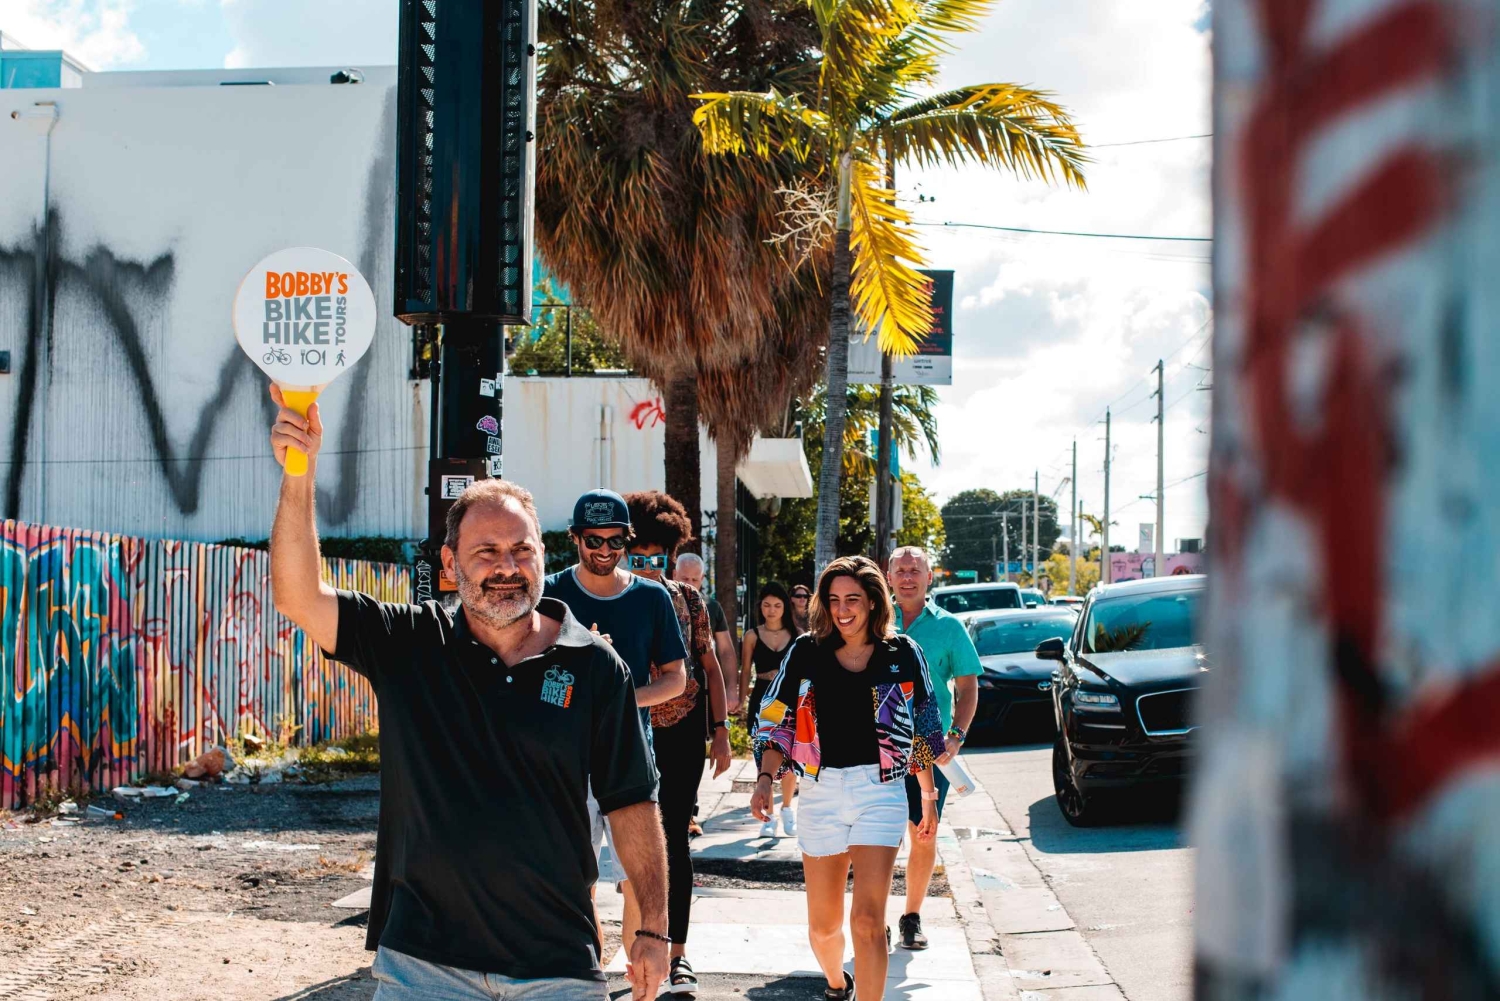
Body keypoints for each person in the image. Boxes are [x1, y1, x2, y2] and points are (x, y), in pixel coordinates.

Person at [264, 385, 668, 1001]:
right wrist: (300, 473)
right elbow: (299, 596)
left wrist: (654, 930)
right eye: (487, 552)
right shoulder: (408, 644)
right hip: (424, 966)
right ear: (451, 565)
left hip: (558, 965)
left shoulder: (594, 666)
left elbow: (632, 803)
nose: (507, 566)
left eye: (522, 550)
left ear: (542, 556)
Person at [752, 556, 945, 1001]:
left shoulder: (902, 653)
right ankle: (838, 985)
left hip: (881, 792)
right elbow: (776, 718)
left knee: (868, 921)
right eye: (834, 599)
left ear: (873, 601)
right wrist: (764, 778)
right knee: (823, 929)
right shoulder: (807, 651)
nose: (842, 609)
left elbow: (921, 728)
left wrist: (928, 797)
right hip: (820, 791)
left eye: (853, 599)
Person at [543, 489, 688, 980]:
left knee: (638, 888)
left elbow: (676, 678)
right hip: (566, 764)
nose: (604, 551)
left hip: (631, 763)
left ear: (628, 539)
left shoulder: (651, 597)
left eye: (615, 541)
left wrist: (618, 695)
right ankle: (589, 981)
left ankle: (640, 983)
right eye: (593, 540)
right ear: (575, 538)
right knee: (574, 884)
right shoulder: (549, 595)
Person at [622, 490, 733, 997]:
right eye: (637, 555)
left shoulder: (688, 600)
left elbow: (708, 666)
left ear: (669, 555)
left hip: (682, 730)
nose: (647, 565)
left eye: (656, 557)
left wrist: (721, 731)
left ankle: (678, 954)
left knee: (672, 840)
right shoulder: (611, 597)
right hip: (623, 731)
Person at [886, 545, 984, 951]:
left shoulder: (949, 627)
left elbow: (968, 687)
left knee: (923, 834)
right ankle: (874, 916)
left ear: (929, 577)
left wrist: (956, 735)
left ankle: (911, 916)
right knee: (878, 836)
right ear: (888, 577)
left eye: (916, 570)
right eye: (901, 570)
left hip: (929, 751)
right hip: (877, 749)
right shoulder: (873, 620)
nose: (908, 577)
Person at [741, 582, 799, 837]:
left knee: (791, 757)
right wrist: (740, 699)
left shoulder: (797, 635)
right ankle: (769, 816)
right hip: (763, 698)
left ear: (785, 607)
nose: (771, 610)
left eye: (777, 605)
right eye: (766, 605)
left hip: (788, 701)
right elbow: (745, 670)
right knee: (762, 757)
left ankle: (787, 809)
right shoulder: (752, 635)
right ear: (760, 607)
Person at [671, 552, 739, 714]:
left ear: (702, 579)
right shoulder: (661, 601)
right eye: (684, 578)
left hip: (702, 686)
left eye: (694, 580)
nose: (689, 584)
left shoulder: (712, 607)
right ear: (674, 575)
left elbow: (725, 651)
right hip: (667, 684)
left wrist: (731, 688)